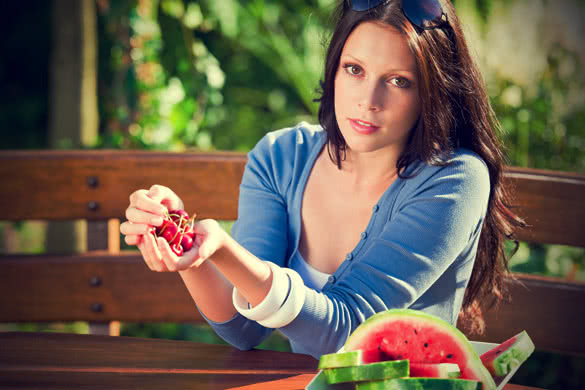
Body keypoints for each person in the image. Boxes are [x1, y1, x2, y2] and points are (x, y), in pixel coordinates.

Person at [120, 0, 524, 360]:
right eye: (355, 69)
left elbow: (347, 332)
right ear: (334, 68)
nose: (369, 100)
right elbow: (244, 328)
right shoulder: (281, 158)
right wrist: (192, 248)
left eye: (399, 81)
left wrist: (223, 247)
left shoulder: (454, 180)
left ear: (432, 91)